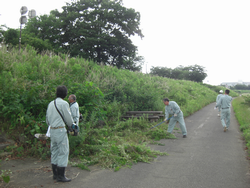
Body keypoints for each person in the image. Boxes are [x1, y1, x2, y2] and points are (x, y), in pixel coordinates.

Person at [46, 85, 74, 182]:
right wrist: (72, 125)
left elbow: (47, 120)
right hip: (60, 130)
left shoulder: (50, 104)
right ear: (65, 94)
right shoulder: (64, 104)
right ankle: (61, 176)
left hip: (52, 130)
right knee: (63, 151)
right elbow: (68, 119)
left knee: (54, 151)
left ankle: (55, 174)